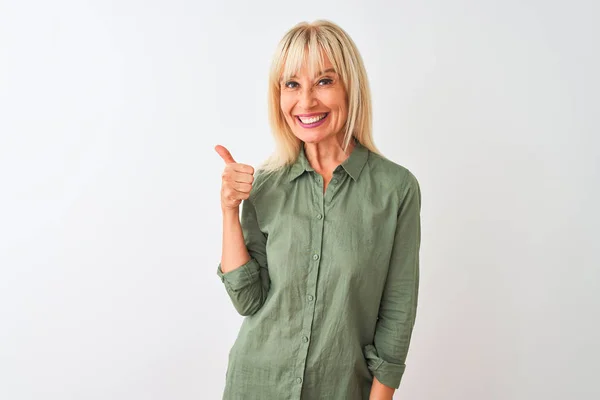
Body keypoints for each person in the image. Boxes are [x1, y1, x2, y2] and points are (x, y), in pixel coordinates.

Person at [214, 19, 421, 400]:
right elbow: (248, 300)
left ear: (350, 87)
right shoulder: (265, 185)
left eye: (324, 81)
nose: (306, 101)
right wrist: (229, 209)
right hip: (256, 385)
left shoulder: (396, 189)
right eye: (292, 84)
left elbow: (398, 309)